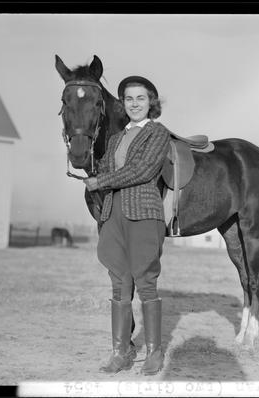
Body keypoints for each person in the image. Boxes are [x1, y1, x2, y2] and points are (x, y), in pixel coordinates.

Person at [84, 76, 170, 376]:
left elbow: (142, 170)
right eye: (129, 99)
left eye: (141, 98)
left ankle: (154, 352)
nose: (134, 104)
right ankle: (120, 352)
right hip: (113, 212)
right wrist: (100, 173)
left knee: (145, 280)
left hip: (143, 212)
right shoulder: (116, 138)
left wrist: (102, 180)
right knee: (119, 282)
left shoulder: (158, 134)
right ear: (123, 104)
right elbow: (106, 164)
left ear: (151, 102)